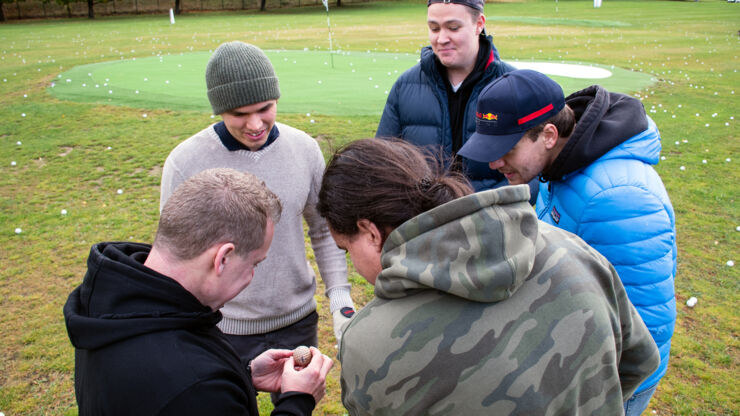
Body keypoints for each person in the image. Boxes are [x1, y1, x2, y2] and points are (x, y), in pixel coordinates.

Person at [317, 139, 660, 415]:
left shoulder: (368, 342)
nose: (355, 269)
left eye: (346, 249)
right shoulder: (570, 247)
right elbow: (639, 360)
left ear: (370, 232)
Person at [458, 69, 677, 415]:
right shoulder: (560, 164)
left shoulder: (619, 198)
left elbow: (642, 321)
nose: (495, 162)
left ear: (548, 134)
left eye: (507, 149)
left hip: (608, 381)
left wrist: (593, 390)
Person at [64, 168, 334, 415]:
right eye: (255, 263)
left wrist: (242, 373)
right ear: (223, 258)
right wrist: (297, 400)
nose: (252, 276)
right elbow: (191, 389)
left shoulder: (115, 305)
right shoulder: (194, 386)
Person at [160, 41, 355, 374]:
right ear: (219, 111)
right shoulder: (184, 162)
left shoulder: (304, 150)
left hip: (297, 320)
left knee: (298, 402)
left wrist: (340, 300)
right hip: (220, 327)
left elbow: (324, 230)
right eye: (239, 114)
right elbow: (172, 255)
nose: (254, 124)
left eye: (265, 108)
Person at [376, 0, 537, 199]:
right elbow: (382, 165)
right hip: (423, 223)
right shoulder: (405, 86)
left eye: (453, 28)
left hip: (493, 222)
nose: (442, 39)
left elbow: (534, 171)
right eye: (434, 28)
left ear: (479, 24)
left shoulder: (514, 87)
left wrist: (484, 207)